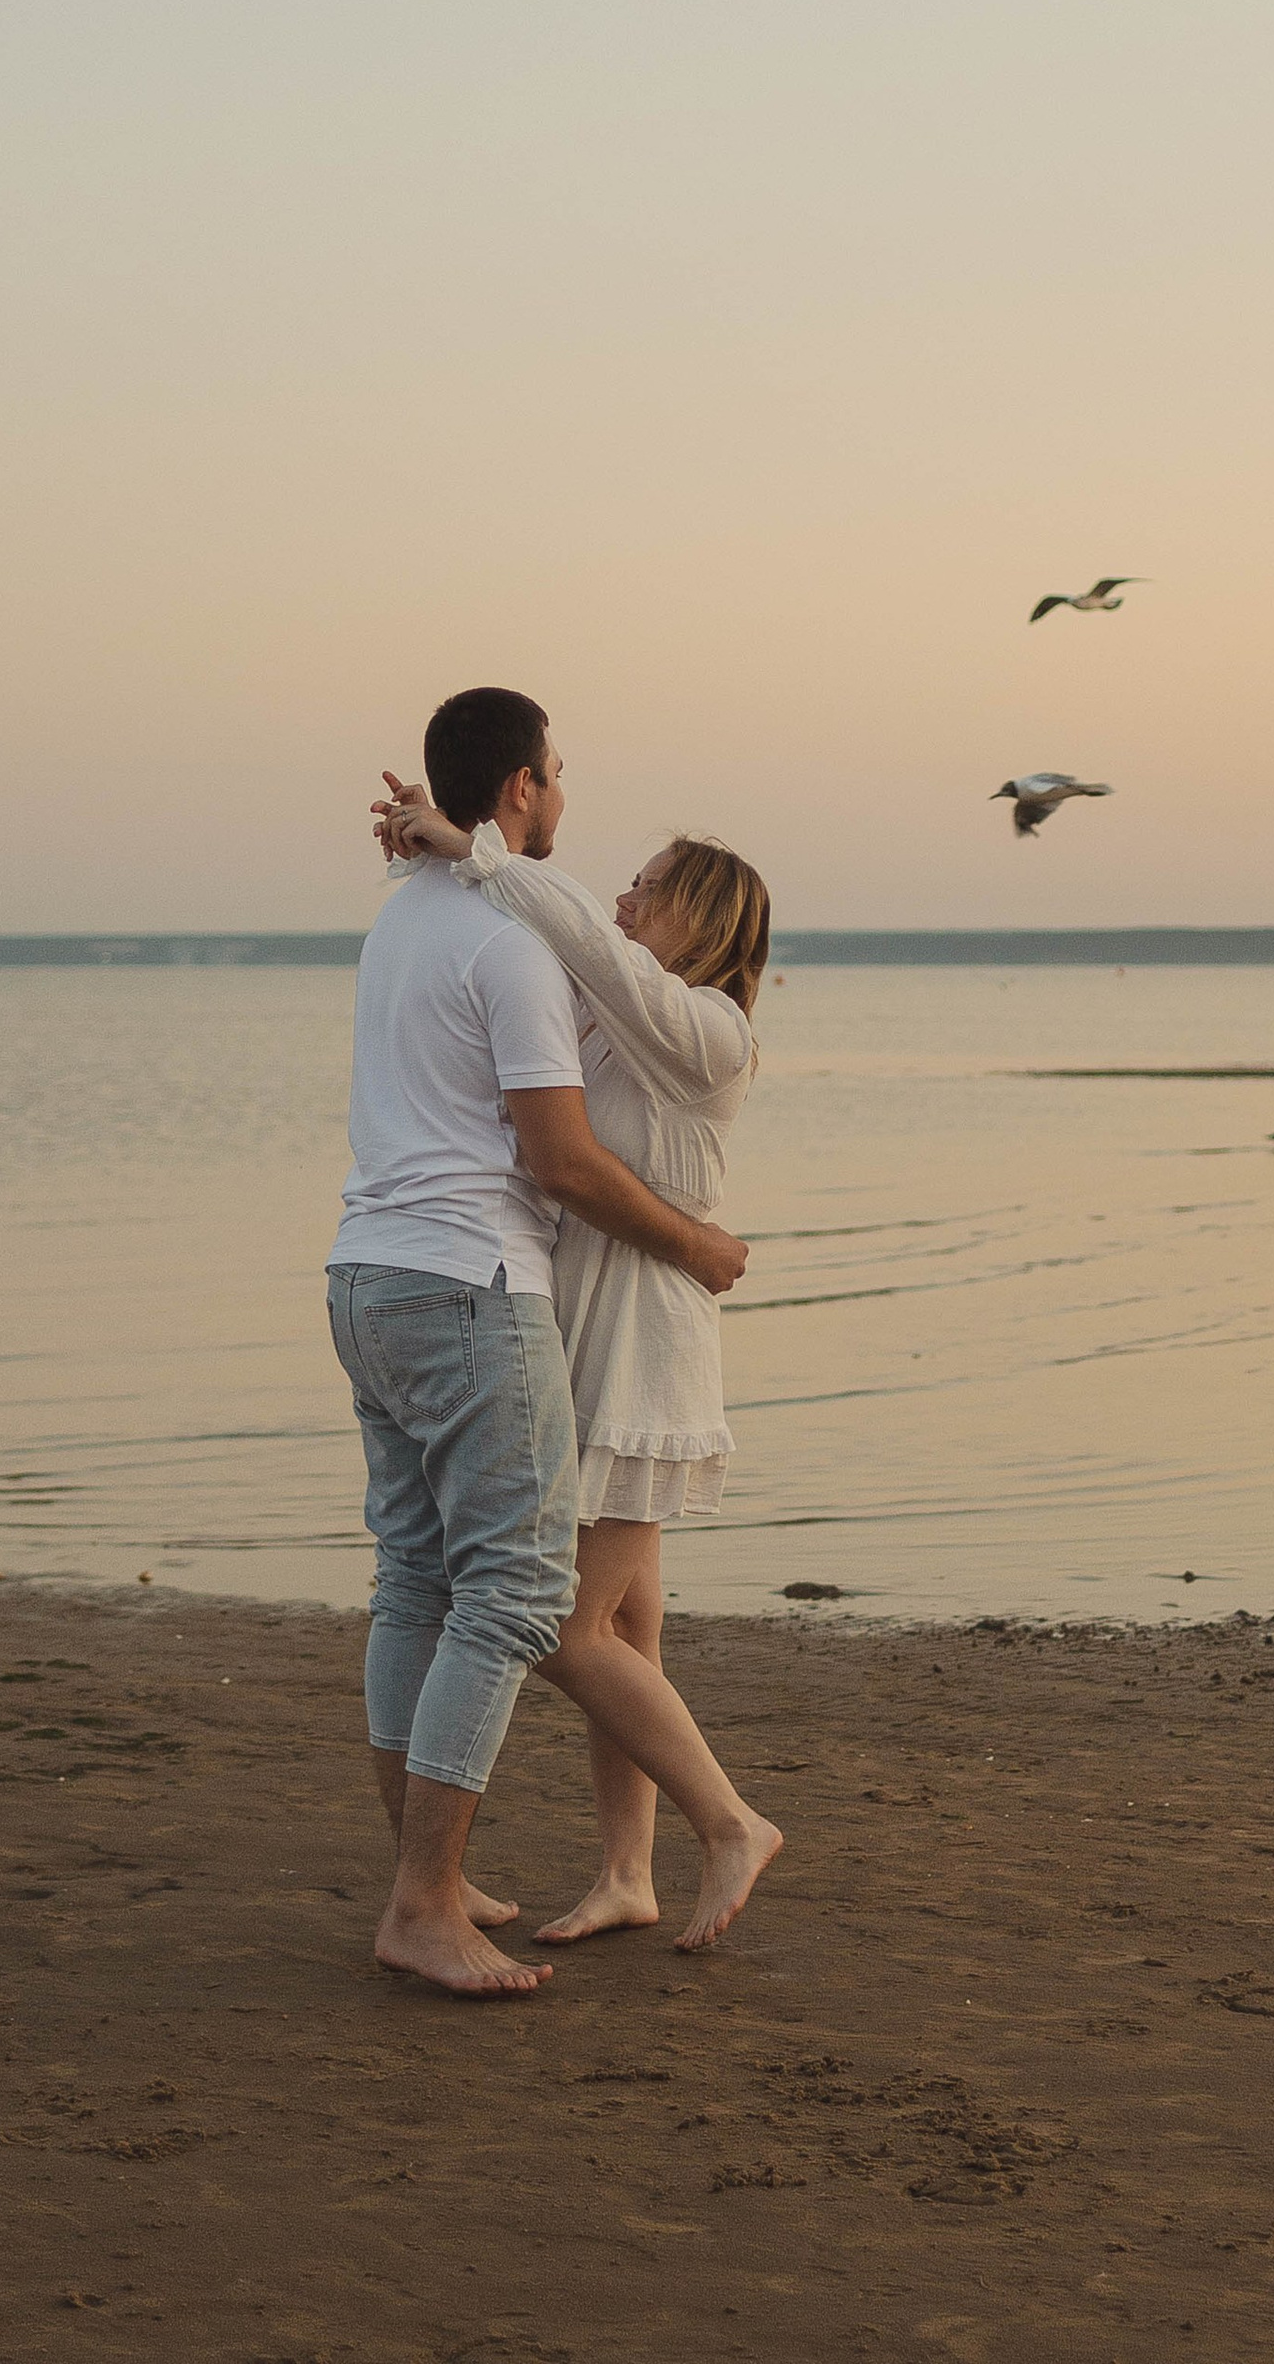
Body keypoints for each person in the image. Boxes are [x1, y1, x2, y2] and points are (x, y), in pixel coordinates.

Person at [328, 686, 749, 1998]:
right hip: (472, 1291)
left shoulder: (407, 922)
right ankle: (427, 1899)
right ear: (520, 792)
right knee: (522, 1603)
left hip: (372, 1273)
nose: (569, 798)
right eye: (557, 773)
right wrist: (698, 1242)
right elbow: (558, 1157)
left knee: (433, 1583)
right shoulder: (513, 945)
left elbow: (595, 979)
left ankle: (543, 1873)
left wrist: (448, 849)